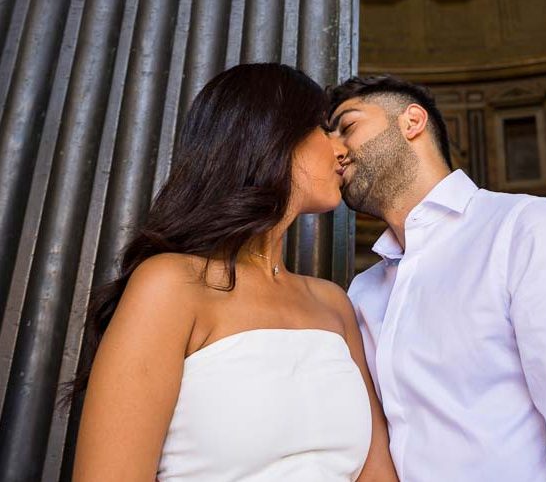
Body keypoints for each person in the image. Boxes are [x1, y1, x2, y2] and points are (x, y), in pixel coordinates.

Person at [71, 63, 398, 482]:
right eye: (321, 127)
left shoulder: (332, 302)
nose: (341, 149)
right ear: (270, 135)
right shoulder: (170, 286)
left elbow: (377, 474)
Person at [328, 73, 546, 482]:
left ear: (411, 122)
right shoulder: (364, 291)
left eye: (348, 127)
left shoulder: (526, 229)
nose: (335, 151)